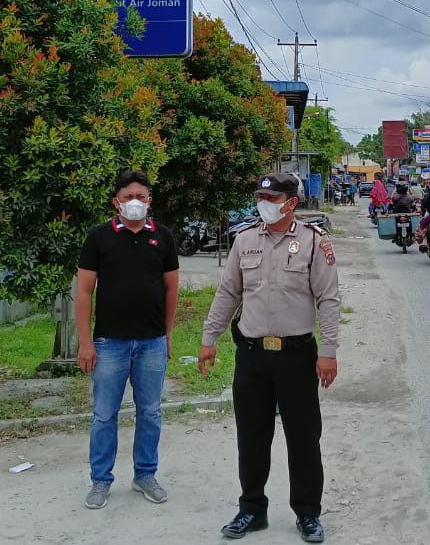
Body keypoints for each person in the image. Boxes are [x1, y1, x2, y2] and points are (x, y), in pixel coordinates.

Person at [199, 173, 340, 544]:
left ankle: (308, 513)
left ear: (291, 203)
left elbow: (328, 298)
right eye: (261, 196)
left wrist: (328, 352)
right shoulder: (244, 240)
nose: (264, 202)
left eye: (271, 197)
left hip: (297, 357)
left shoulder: (313, 242)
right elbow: (229, 291)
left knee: (304, 437)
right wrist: (208, 338)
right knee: (252, 435)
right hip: (252, 356)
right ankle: (251, 509)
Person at [75, 169, 179, 510]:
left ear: (150, 201)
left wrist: (167, 335)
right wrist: (85, 343)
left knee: (150, 412)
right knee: (105, 414)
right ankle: (100, 481)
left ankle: (145, 475)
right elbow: (84, 291)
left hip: (151, 343)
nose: (135, 202)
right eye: (128, 197)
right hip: (109, 344)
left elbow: (171, 289)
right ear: (116, 202)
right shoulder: (98, 237)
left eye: (141, 197)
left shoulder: (162, 237)